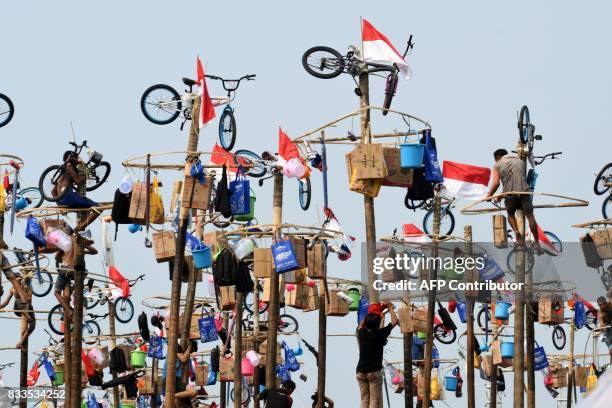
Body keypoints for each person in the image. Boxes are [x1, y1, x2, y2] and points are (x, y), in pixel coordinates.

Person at [487, 148, 542, 253]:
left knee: (511, 215)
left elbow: (496, 183)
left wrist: (490, 195)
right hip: (524, 194)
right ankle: (537, 243)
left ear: (498, 157)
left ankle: (517, 233)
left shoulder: (497, 165)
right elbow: (516, 181)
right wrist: (500, 196)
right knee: (530, 216)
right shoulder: (520, 161)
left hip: (510, 195)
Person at [356, 300, 398, 408]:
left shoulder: (361, 333)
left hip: (360, 372)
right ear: (378, 324)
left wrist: (373, 314)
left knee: (364, 400)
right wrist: (389, 307)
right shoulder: (380, 334)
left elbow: (361, 325)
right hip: (374, 372)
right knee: (374, 401)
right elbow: (394, 321)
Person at [53, 231, 97, 321]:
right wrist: (85, 247)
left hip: (65, 269)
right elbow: (95, 251)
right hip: (76, 272)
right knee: (80, 278)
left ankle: (69, 311)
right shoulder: (80, 244)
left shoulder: (65, 243)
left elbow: (56, 257)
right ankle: (74, 289)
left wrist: (61, 255)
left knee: (56, 292)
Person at [53, 151, 99, 231]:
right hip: (70, 198)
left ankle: (80, 229)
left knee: (85, 210)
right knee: (99, 208)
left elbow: (53, 192)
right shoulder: (69, 166)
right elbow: (78, 181)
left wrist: (60, 207)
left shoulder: (61, 174)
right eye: (77, 157)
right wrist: (85, 175)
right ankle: (79, 228)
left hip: (62, 201)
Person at [0, 274, 35, 350]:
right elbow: (6, 301)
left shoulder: (26, 286)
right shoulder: (12, 288)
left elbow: (29, 298)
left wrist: (23, 290)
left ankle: (20, 342)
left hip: (28, 307)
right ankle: (26, 315)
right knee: (18, 300)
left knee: (33, 325)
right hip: (18, 307)